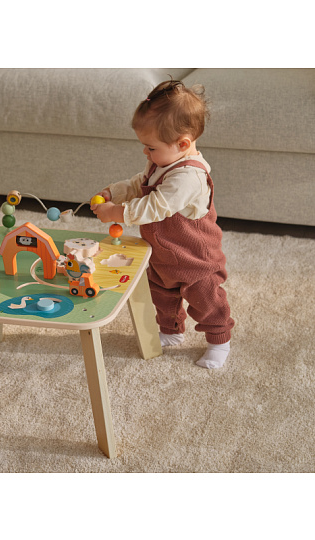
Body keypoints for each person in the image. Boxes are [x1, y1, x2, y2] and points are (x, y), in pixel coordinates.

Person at [91, 79, 234, 369]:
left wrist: (116, 212)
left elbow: (155, 207)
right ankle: (171, 330)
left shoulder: (189, 177)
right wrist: (114, 193)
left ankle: (219, 340)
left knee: (206, 301)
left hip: (195, 258)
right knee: (161, 294)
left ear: (183, 144)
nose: (146, 153)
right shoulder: (162, 161)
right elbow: (140, 184)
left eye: (150, 147)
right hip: (163, 252)